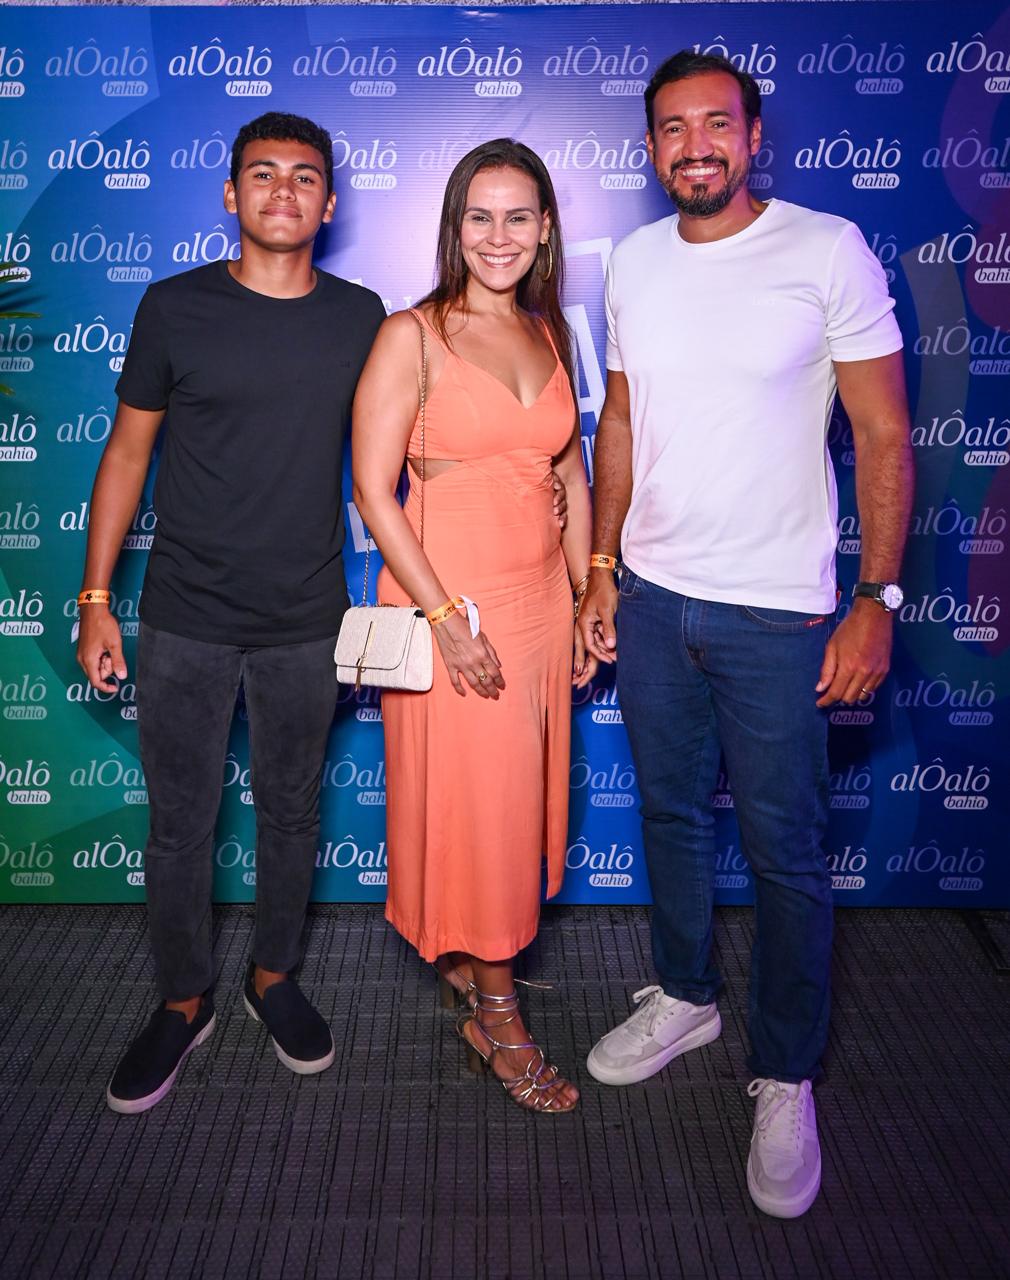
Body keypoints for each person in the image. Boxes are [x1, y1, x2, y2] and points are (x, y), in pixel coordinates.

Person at [578, 52, 913, 1214]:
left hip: (777, 614)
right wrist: (602, 567)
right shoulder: (632, 259)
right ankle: (684, 994)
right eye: (672, 128)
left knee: (784, 852)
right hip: (652, 599)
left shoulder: (826, 249)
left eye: (714, 123)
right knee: (669, 815)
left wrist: (874, 598)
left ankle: (784, 1070)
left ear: (753, 135)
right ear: (650, 148)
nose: (694, 146)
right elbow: (622, 421)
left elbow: (882, 433)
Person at [76, 112, 387, 1113]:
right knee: (179, 825)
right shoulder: (174, 306)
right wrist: (95, 598)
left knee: (292, 811)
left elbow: (404, 456)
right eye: (262, 174)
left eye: (304, 177)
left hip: (307, 618)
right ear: (229, 194)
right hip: (184, 615)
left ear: (328, 203)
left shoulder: (362, 316)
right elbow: (127, 452)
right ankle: (183, 998)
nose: (283, 191)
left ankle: (273, 976)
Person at [352, 139, 595, 1113]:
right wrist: (445, 615)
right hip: (451, 601)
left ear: (545, 227)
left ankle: (473, 960)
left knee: (509, 808)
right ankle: (497, 1017)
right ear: (454, 227)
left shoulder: (547, 331)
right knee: (483, 814)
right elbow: (374, 491)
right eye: (479, 217)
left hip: (538, 607)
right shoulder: (409, 334)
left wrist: (587, 595)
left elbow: (567, 471)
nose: (499, 236)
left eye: (518, 216)